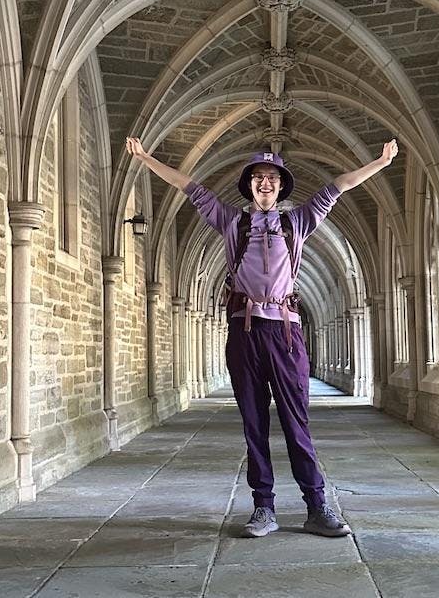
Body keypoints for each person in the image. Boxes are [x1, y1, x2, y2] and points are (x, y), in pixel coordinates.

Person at [125, 136, 399, 538]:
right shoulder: (231, 221)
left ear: (281, 185)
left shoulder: (297, 222)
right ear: (249, 185)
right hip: (244, 329)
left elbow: (338, 186)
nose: (264, 182)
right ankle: (263, 508)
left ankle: (316, 505)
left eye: (271, 177)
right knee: (254, 424)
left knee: (296, 423)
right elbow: (189, 187)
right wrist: (146, 158)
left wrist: (379, 162)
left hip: (285, 332)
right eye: (258, 177)